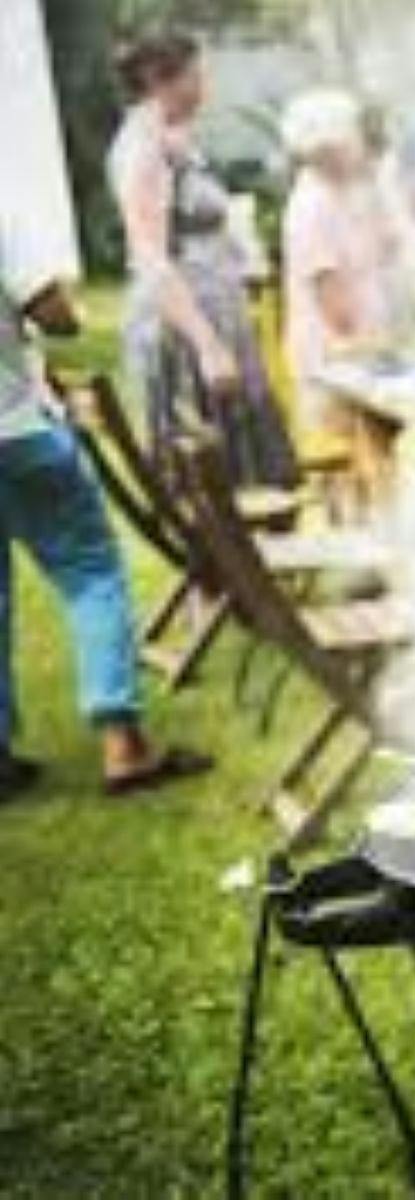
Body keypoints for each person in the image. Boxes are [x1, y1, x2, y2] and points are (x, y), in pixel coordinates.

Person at [0, 207, 212, 800]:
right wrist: (70, 316)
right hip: (16, 431)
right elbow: (54, 316)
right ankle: (123, 744)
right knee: (91, 573)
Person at [108, 31, 297, 491]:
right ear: (158, 80)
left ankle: (249, 557)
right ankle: (226, 560)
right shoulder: (142, 150)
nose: (204, 85)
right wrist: (208, 347)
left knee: (251, 471)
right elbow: (151, 258)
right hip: (186, 325)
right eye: (195, 74)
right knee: (212, 479)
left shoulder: (170, 139)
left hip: (217, 307)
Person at [280, 88, 406, 517]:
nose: (360, 144)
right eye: (353, 136)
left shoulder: (346, 191)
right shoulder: (311, 205)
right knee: (354, 456)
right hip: (335, 354)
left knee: (379, 447)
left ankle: (380, 539)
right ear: (328, 148)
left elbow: (389, 247)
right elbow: (332, 302)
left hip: (363, 348)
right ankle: (364, 549)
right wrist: (372, 350)